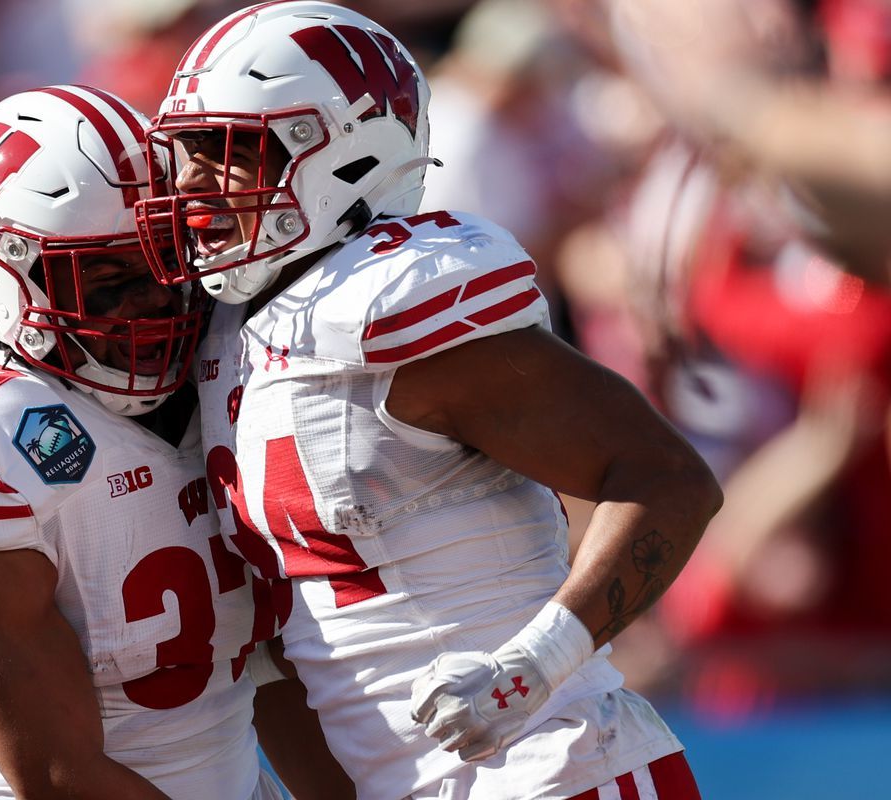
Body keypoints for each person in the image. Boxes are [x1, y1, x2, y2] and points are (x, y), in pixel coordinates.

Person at [133, 3, 723, 799]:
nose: (194, 184)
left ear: (343, 156)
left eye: (227, 152)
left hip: (552, 769)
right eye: (186, 154)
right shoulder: (224, 340)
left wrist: (537, 665)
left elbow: (668, 478)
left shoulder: (395, 305)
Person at [0, 85, 286, 800]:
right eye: (104, 276)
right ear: (1, 273)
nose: (156, 300)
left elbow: (285, 671)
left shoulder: (225, 370)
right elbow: (58, 776)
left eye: (165, 262)